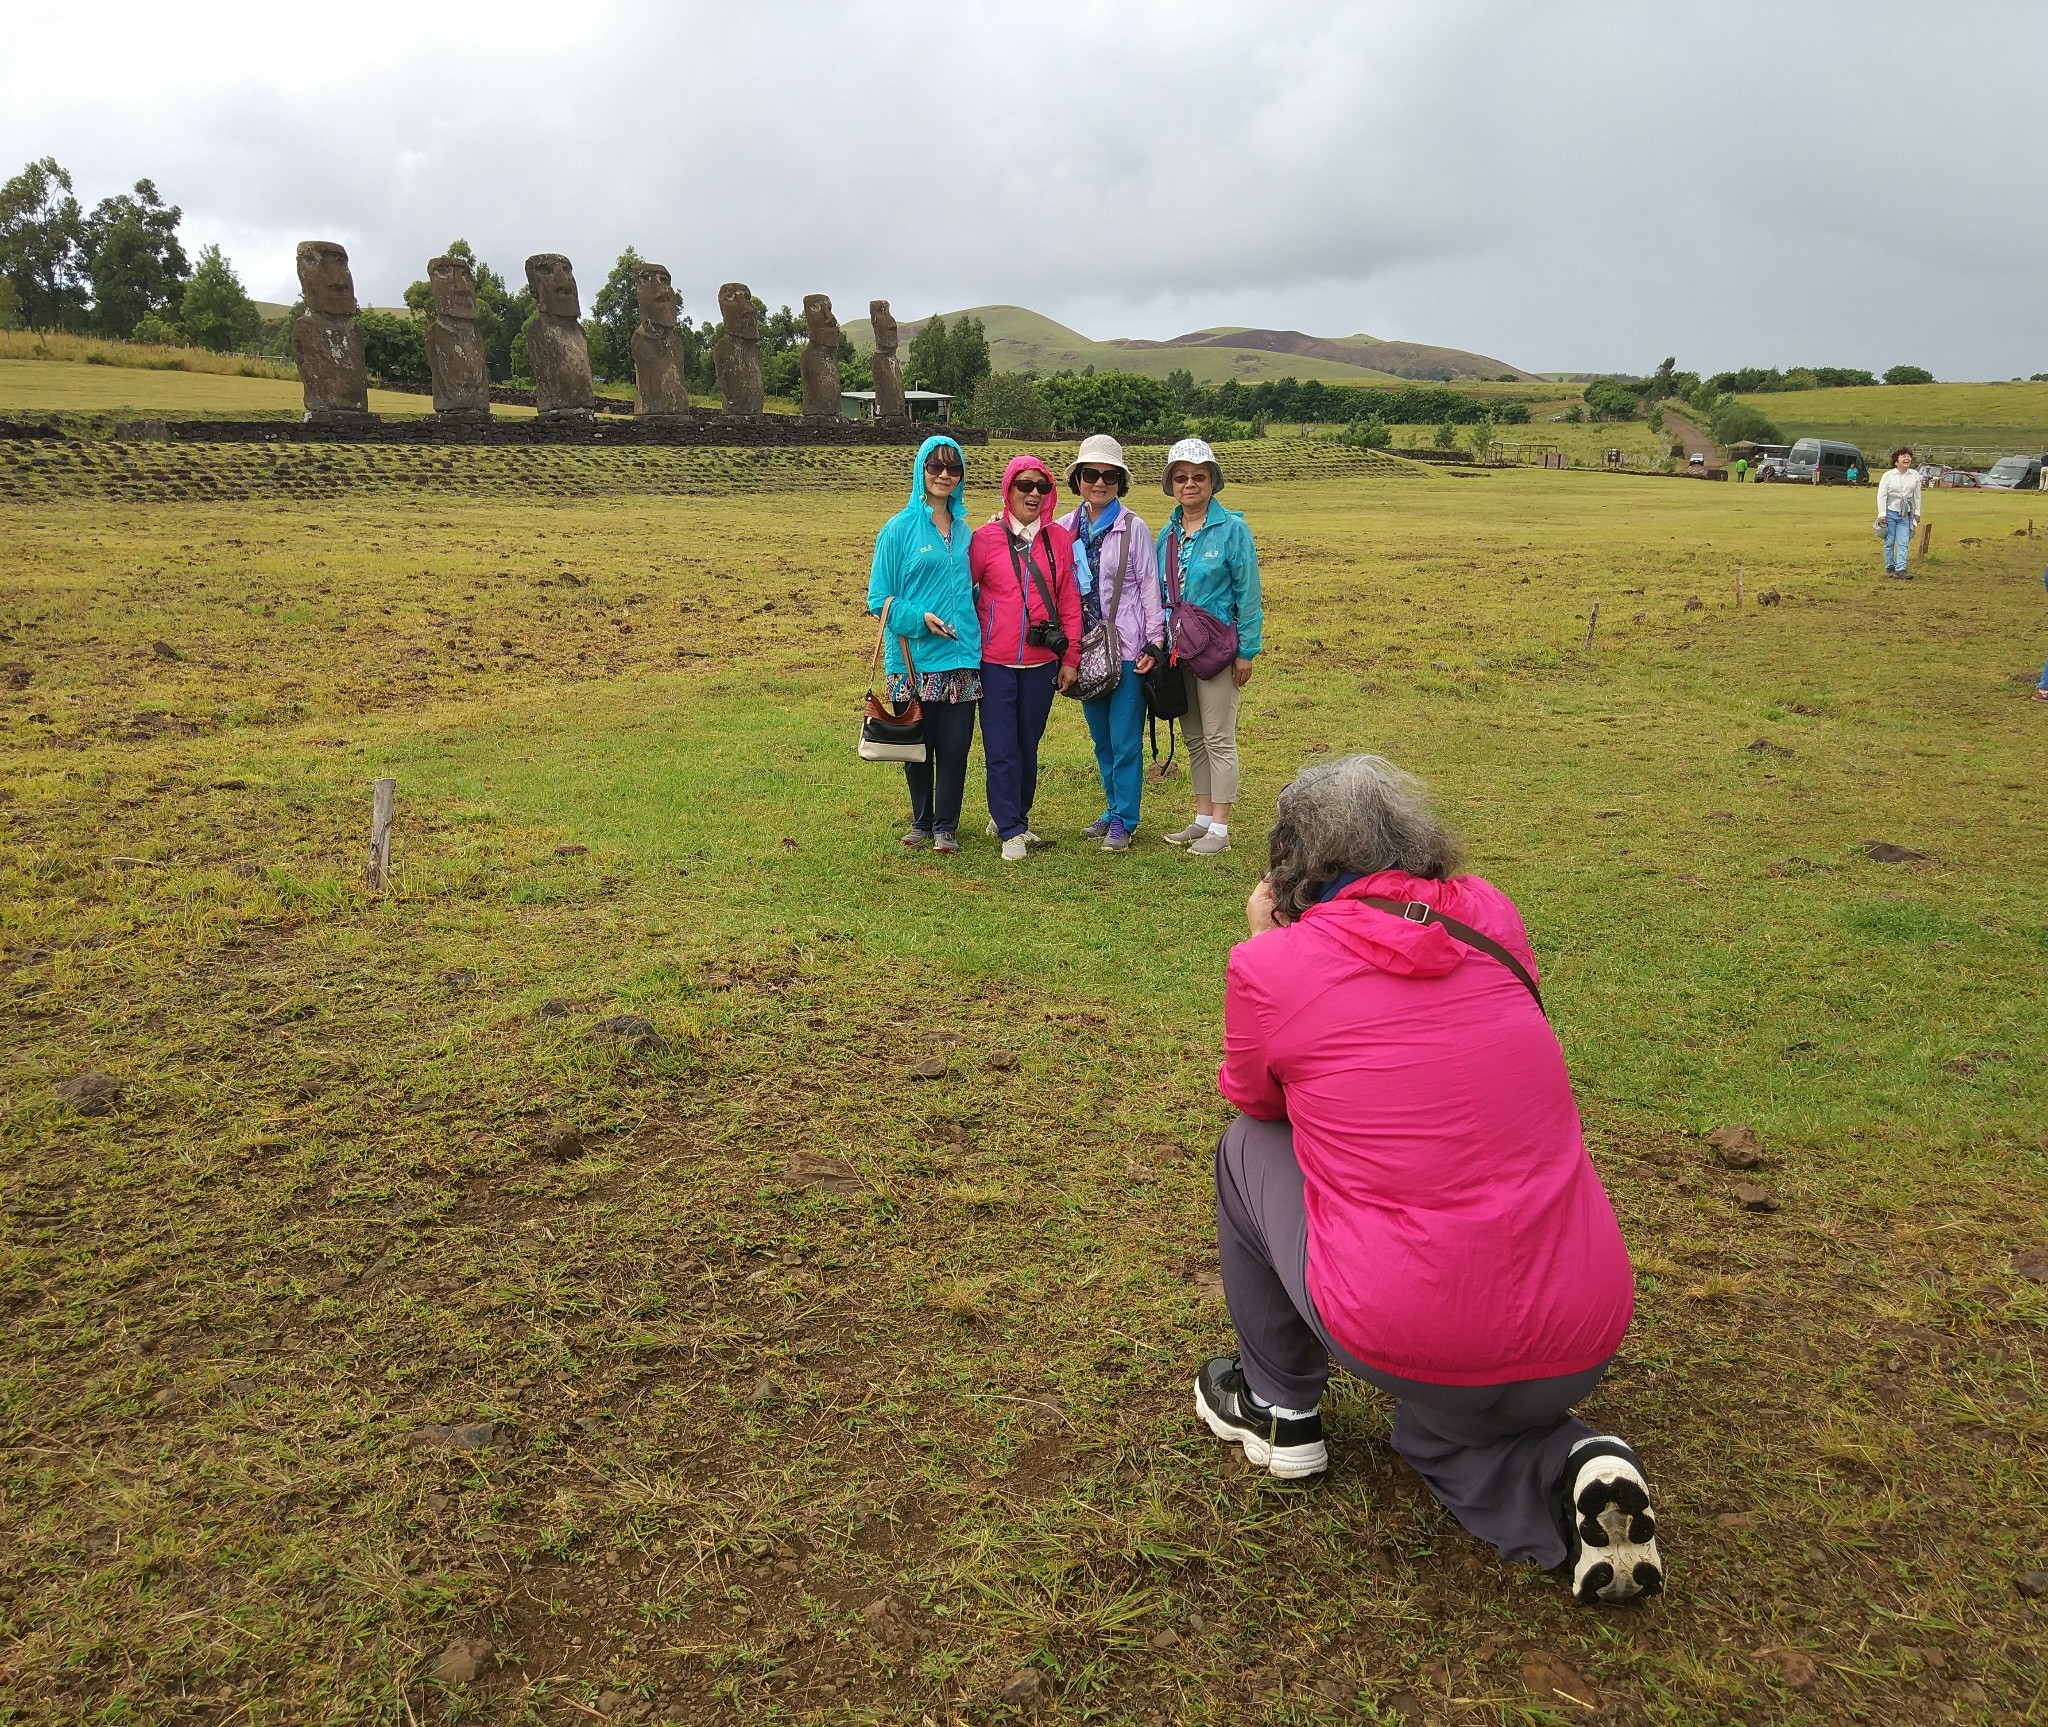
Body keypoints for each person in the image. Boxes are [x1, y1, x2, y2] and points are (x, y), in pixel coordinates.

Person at [1195, 755, 1663, 1606]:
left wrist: (1270, 943)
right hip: (1586, 1326)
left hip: (1414, 1330)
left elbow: (1253, 1094)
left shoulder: (1274, 965)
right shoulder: (1493, 914)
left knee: (1243, 1144)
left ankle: (1277, 1404)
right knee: (1442, 1428)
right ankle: (1568, 1465)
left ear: (1290, 865)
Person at [865, 435, 981, 853]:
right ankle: (922, 820)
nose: (944, 475)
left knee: (955, 747)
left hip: (962, 657)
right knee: (917, 745)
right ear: (921, 470)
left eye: (953, 468)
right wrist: (918, 619)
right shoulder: (897, 530)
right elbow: (878, 599)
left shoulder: (969, 532)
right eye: (935, 467)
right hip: (914, 660)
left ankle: (946, 825)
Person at [970, 454, 1083, 862]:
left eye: (1042, 486)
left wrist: (1070, 656)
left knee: (1027, 744)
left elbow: (1069, 600)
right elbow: (964, 593)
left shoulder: (1059, 540)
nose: (1034, 494)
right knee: (1001, 745)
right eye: (1025, 485)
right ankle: (1010, 829)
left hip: (1041, 664)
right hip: (995, 661)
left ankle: (1016, 815)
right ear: (1008, 490)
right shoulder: (984, 539)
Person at [1156, 437, 1262, 855]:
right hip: (1179, 649)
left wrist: (1247, 651)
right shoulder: (1166, 533)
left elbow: (1248, 594)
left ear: (1212, 482)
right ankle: (1201, 818)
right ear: (1171, 484)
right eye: (1181, 477)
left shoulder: (1233, 530)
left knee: (1219, 737)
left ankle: (1221, 826)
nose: (1190, 484)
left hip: (1218, 649)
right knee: (1194, 736)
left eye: (1199, 476)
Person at [1058, 435, 1164, 852]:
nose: (1099, 483)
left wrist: (1153, 644)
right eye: (1091, 474)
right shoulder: (1064, 528)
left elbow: (1150, 589)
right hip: (1083, 649)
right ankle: (1111, 806)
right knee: (1101, 737)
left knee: (1124, 738)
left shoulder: (1133, 528)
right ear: (1079, 480)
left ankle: (1125, 818)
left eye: (1109, 476)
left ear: (1120, 482)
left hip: (1127, 648)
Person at [1875, 446, 1923, 579]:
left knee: (1903, 541)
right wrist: (1882, 513)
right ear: (1896, 461)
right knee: (1889, 541)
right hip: (1890, 511)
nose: (1907, 458)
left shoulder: (1914, 475)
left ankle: (1901, 569)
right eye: (1903, 456)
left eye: (1908, 456)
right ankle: (1890, 567)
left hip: (1905, 513)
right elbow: (1882, 495)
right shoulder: (1888, 476)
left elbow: (1917, 496)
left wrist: (1917, 512)